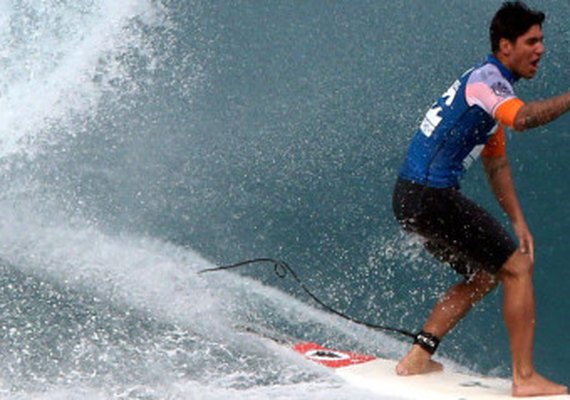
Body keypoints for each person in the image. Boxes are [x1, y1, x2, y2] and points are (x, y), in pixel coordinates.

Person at [392, 1, 570, 397]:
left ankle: (418, 356)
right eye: (531, 41)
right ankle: (524, 378)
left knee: (487, 273)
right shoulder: (486, 82)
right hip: (429, 196)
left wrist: (518, 221)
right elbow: (523, 119)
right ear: (505, 45)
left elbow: (497, 165)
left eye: (542, 40)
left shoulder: (493, 91)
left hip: (413, 198)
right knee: (517, 269)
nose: (540, 49)